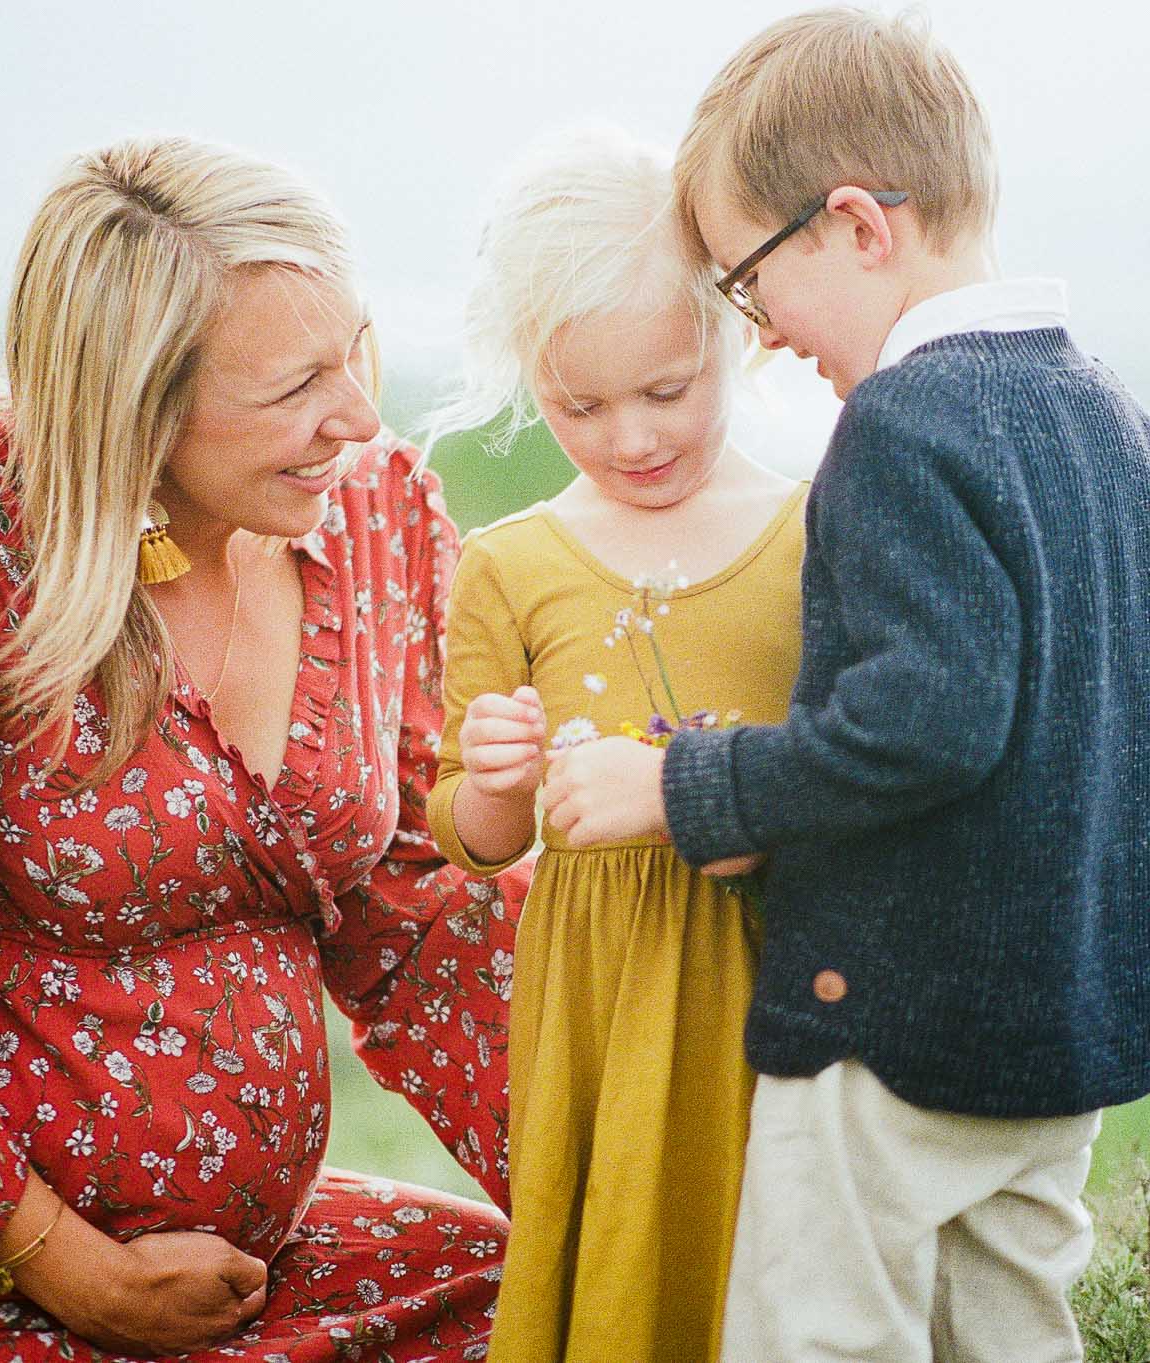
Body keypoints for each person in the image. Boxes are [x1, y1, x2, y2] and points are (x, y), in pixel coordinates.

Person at [0, 136, 525, 1363]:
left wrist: (606, 1170)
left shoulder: (371, 509)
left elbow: (415, 914)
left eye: (354, 348)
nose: (356, 415)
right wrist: (72, 1267)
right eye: (296, 385)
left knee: (561, 1307)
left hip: (248, 1277)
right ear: (138, 405)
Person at [541, 11, 1150, 1361]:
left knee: (821, 1334)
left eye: (747, 280)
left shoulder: (903, 423)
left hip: (889, 1023)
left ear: (857, 224)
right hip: (1062, 1026)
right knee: (1009, 1334)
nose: (765, 335)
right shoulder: (1113, 415)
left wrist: (686, 787)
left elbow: (928, 720)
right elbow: (1148, 700)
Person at [419, 126, 803, 1362]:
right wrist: (492, 780)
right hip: (600, 987)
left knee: (770, 1250)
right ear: (527, 380)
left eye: (665, 390)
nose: (630, 438)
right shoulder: (509, 563)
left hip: (778, 955)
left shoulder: (812, 530)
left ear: (732, 336)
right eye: (579, 405)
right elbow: (475, 841)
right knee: (621, 1250)